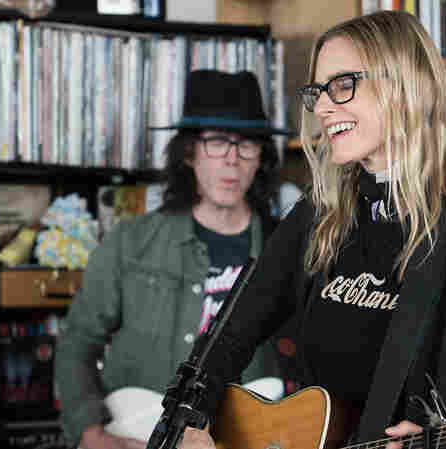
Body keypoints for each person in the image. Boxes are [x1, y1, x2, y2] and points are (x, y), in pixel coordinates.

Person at [179, 10, 446, 449]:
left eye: (343, 85)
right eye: (318, 92)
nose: (324, 107)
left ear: (404, 86)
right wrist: (193, 422)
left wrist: (436, 440)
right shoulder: (317, 217)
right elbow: (230, 337)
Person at [55, 69, 291, 449]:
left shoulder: (287, 249)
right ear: (188, 153)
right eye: (216, 142)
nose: (232, 159)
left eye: (246, 144)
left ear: (260, 156)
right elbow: (77, 344)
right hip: (138, 433)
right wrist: (91, 433)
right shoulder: (130, 243)